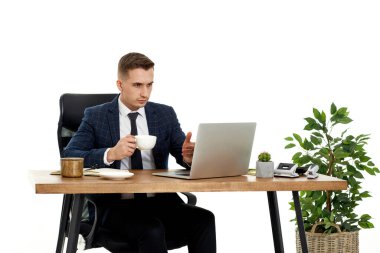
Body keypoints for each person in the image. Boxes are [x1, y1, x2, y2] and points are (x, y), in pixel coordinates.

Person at [64, 52, 217, 253]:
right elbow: (70, 155)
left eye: (149, 84)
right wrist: (110, 153)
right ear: (120, 85)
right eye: (137, 85)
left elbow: (182, 151)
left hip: (161, 202)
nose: (145, 92)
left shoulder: (164, 114)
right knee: (151, 229)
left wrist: (189, 157)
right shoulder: (96, 116)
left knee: (204, 219)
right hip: (117, 206)